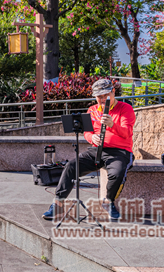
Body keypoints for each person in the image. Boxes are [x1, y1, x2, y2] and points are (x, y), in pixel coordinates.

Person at [42, 79, 136, 221]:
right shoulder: (92, 110)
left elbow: (127, 133)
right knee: (71, 166)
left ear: (113, 92)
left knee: (117, 174)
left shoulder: (125, 108)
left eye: (106, 95)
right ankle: (57, 204)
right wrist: (92, 138)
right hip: (96, 150)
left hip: (120, 151)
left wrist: (112, 124)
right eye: (99, 96)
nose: (103, 99)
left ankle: (109, 202)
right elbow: (86, 132)